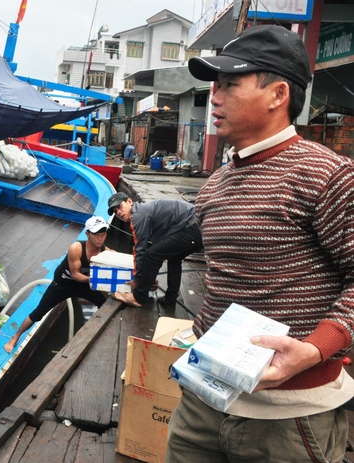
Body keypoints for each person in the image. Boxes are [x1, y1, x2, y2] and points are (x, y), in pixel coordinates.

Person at [165, 25, 354, 462]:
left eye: (230, 84)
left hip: (289, 418)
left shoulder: (327, 176)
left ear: (278, 94)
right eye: (214, 85)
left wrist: (314, 348)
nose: (214, 96)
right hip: (204, 400)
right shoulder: (217, 183)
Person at [3, 216, 111, 353]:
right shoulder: (76, 248)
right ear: (88, 233)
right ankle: (15, 337)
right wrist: (93, 280)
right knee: (38, 312)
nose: (100, 238)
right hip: (63, 284)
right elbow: (75, 274)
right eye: (96, 235)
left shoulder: (107, 252)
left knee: (105, 304)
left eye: (103, 234)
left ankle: (103, 334)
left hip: (84, 284)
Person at [107, 193, 203, 309]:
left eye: (120, 207)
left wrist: (137, 280)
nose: (119, 213)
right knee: (174, 259)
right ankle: (169, 301)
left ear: (129, 202)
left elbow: (140, 250)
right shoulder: (143, 211)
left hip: (193, 227)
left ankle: (139, 298)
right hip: (197, 227)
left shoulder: (138, 215)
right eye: (115, 211)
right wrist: (149, 279)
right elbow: (158, 246)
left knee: (151, 255)